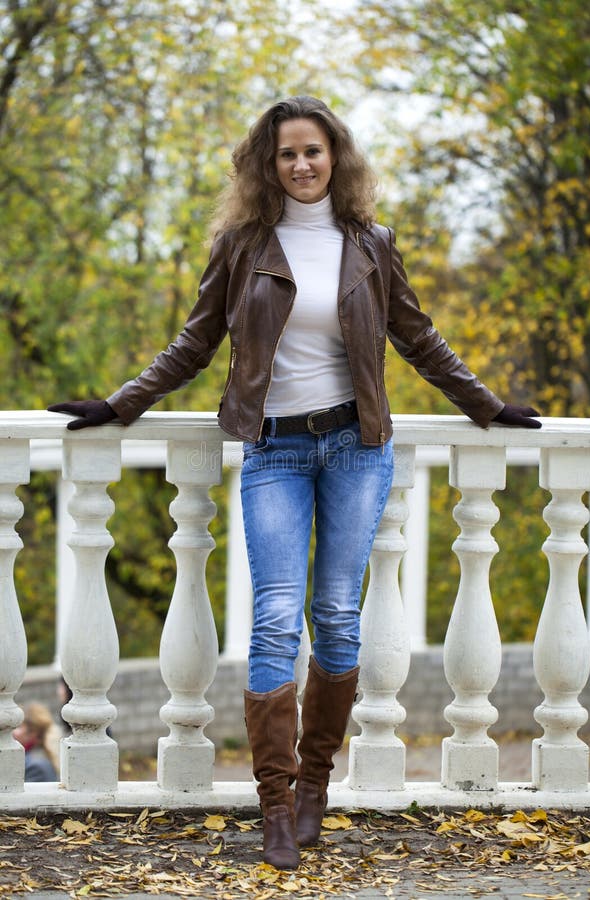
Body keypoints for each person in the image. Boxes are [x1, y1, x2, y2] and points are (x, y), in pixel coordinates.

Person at [48, 95, 541, 869]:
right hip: (274, 451)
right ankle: (274, 804)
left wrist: (488, 405)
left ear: (335, 157)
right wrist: (120, 403)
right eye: (287, 154)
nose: (302, 164)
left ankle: (315, 785)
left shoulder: (372, 243)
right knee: (276, 617)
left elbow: (418, 337)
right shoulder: (244, 244)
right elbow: (196, 340)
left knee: (339, 616)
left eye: (314, 150)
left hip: (355, 446)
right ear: (267, 165)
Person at [14, 702, 60, 782]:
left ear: (34, 732)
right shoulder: (36, 756)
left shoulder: (35, 765)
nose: (14, 732)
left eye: (18, 726)